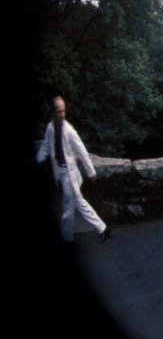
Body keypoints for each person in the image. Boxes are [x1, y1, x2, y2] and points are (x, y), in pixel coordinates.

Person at [36, 96, 110, 243]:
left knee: (68, 207)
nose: (62, 114)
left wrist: (91, 171)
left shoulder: (69, 131)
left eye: (63, 111)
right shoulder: (51, 127)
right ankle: (102, 228)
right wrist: (38, 159)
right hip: (62, 173)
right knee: (77, 203)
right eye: (58, 112)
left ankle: (67, 236)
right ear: (53, 112)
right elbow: (46, 145)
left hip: (69, 174)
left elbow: (82, 151)